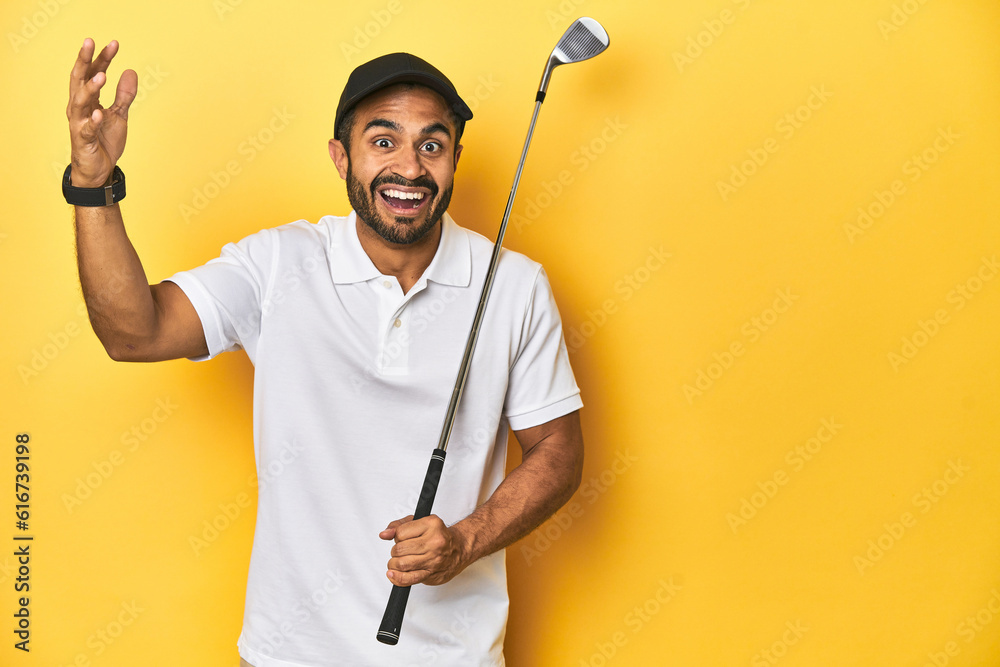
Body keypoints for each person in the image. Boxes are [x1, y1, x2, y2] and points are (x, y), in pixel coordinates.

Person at [66, 38, 584, 666]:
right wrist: (93, 185)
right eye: (383, 140)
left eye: (432, 144)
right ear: (341, 157)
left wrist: (466, 540)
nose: (411, 169)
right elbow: (133, 333)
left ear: (454, 159)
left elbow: (558, 449)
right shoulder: (277, 262)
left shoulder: (516, 284)